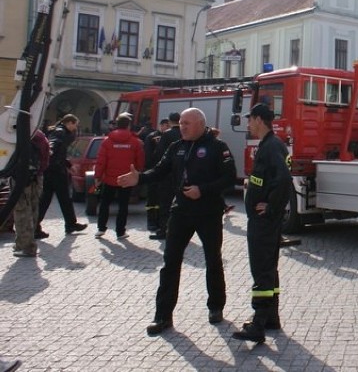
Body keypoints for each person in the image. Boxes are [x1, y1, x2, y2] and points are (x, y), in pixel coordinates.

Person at [117, 108, 237, 336]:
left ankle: (215, 306)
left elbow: (229, 178)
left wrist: (203, 190)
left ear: (201, 124)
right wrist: (139, 178)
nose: (182, 127)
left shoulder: (217, 147)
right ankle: (162, 316)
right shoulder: (177, 146)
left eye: (187, 124)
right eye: (181, 123)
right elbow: (160, 171)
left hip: (208, 212)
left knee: (213, 261)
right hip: (181, 211)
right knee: (170, 263)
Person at [232, 103, 291, 343]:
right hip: (265, 219)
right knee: (269, 267)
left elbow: (284, 179)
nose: (248, 124)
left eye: (250, 119)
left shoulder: (271, 146)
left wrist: (271, 206)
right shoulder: (270, 145)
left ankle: (258, 323)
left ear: (258, 119)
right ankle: (271, 317)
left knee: (261, 268)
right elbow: (270, 179)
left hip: (263, 221)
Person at [93, 113, 144, 239]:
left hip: (110, 178)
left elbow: (101, 160)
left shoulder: (107, 141)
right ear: (129, 126)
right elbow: (140, 161)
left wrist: (98, 176)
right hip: (127, 179)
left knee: (105, 203)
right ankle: (120, 231)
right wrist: (138, 174)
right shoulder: (135, 142)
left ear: (116, 125)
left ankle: (101, 229)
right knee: (123, 205)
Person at [36, 114, 87, 238]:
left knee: (51, 199)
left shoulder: (58, 131)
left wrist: (68, 165)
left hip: (53, 170)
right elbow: (53, 149)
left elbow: (59, 153)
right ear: (69, 123)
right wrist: (57, 165)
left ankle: (69, 223)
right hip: (56, 172)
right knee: (58, 199)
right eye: (75, 125)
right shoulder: (60, 132)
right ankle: (69, 224)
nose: (76, 128)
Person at [12, 130, 50, 257]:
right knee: (32, 210)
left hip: (21, 178)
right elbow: (45, 159)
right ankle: (22, 243)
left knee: (22, 211)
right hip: (36, 176)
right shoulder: (40, 136)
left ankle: (27, 247)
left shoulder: (17, 135)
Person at [149, 112, 182, 240]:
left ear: (169, 121)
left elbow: (159, 154)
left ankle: (164, 231)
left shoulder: (167, 134)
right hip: (181, 174)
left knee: (165, 204)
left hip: (167, 175)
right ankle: (179, 231)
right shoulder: (185, 132)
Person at [143, 118, 170, 232]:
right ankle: (151, 221)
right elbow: (148, 155)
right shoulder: (152, 137)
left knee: (161, 199)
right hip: (154, 172)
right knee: (152, 198)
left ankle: (160, 222)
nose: (168, 128)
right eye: (166, 125)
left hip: (164, 173)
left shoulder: (167, 137)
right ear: (162, 125)